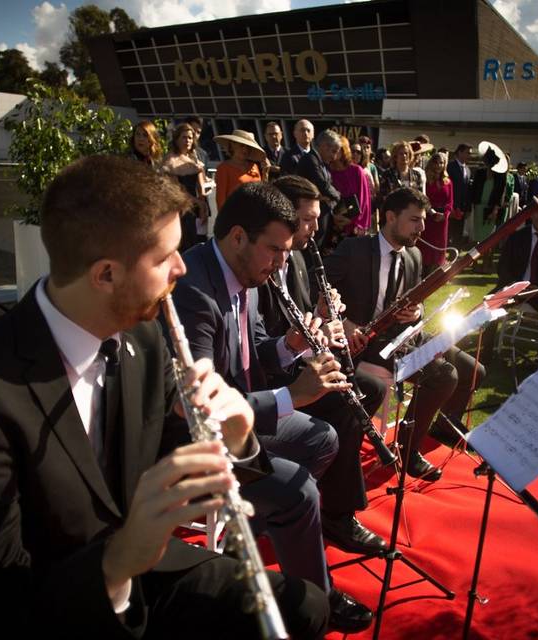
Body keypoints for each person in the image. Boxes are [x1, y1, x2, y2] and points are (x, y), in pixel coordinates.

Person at [0, 155, 329, 638]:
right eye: (164, 258)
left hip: (149, 568)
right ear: (106, 275)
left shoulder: (143, 337)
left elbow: (178, 448)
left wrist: (237, 439)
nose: (182, 267)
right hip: (65, 603)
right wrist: (118, 562)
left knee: (307, 607)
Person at [170, 181, 375, 633]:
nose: (283, 262)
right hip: (193, 441)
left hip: (242, 423)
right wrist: (292, 396)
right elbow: (196, 407)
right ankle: (314, 597)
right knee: (297, 490)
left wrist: (290, 344)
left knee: (323, 438)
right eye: (276, 250)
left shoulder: (245, 273)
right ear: (238, 236)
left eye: (287, 251)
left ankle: (263, 525)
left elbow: (255, 348)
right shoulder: (194, 292)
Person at [256, 174, 389, 558]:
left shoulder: (296, 256)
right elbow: (266, 340)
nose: (315, 229)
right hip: (274, 373)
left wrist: (322, 316)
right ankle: (337, 512)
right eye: (308, 219)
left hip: (296, 359)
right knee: (346, 405)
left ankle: (331, 478)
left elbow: (299, 319)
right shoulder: (263, 259)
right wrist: (302, 340)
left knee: (370, 388)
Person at [323, 187, 486, 479]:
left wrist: (418, 312)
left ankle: (442, 428)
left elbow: (417, 299)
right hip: (365, 342)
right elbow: (318, 288)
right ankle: (407, 450)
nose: (423, 228)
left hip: (402, 335)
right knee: (444, 375)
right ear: (389, 217)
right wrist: (344, 322)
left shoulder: (412, 255)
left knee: (473, 368)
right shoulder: (354, 249)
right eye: (414, 220)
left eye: (423, 220)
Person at [484, 197, 538, 360]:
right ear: (531, 214)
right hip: (515, 287)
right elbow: (503, 266)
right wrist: (515, 286)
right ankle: (485, 353)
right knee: (490, 302)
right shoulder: (517, 236)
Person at [161, 123, 208, 251]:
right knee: (186, 243)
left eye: (190, 137)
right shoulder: (170, 160)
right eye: (184, 137)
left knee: (199, 242)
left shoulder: (194, 157)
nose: (187, 140)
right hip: (181, 207)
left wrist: (203, 205)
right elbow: (178, 190)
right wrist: (199, 203)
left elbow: (200, 184)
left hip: (196, 208)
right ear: (176, 139)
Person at [296, 130, 343, 249]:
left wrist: (332, 196)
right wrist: (337, 196)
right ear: (324, 146)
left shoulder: (322, 163)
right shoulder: (310, 160)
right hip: (310, 215)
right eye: (333, 152)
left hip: (323, 215)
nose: (334, 157)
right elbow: (323, 185)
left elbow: (328, 185)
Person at [328, 136, 372, 238]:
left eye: (336, 149)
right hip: (332, 227)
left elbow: (364, 200)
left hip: (354, 228)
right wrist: (333, 218)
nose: (332, 152)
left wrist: (352, 221)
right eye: (330, 149)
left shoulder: (356, 171)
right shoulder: (326, 171)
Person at [214, 129, 266, 210]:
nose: (245, 149)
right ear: (232, 146)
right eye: (242, 145)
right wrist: (223, 220)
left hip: (255, 214)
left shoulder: (254, 166)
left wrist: (266, 171)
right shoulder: (224, 168)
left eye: (248, 146)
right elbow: (221, 199)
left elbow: (261, 191)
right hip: (234, 215)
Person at [422, 151, 453, 276]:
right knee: (427, 248)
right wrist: (432, 213)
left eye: (442, 162)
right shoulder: (426, 178)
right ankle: (423, 273)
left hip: (442, 220)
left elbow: (450, 202)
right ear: (432, 163)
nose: (439, 165)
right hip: (429, 218)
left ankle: (434, 275)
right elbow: (423, 198)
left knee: (439, 248)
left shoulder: (448, 181)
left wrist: (445, 215)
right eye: (436, 162)